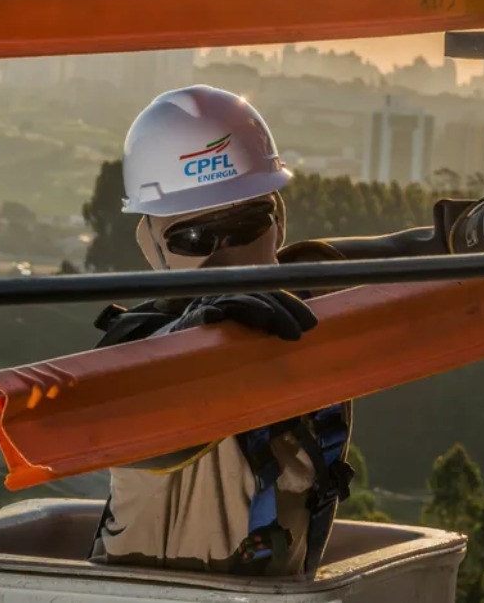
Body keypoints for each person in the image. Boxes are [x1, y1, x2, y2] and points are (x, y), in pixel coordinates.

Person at [88, 85, 354, 579]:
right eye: (195, 238)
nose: (225, 255)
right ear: (152, 245)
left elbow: (419, 251)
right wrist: (199, 326)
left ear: (277, 220)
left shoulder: (310, 299)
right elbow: (121, 419)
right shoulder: (134, 352)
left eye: (248, 222)